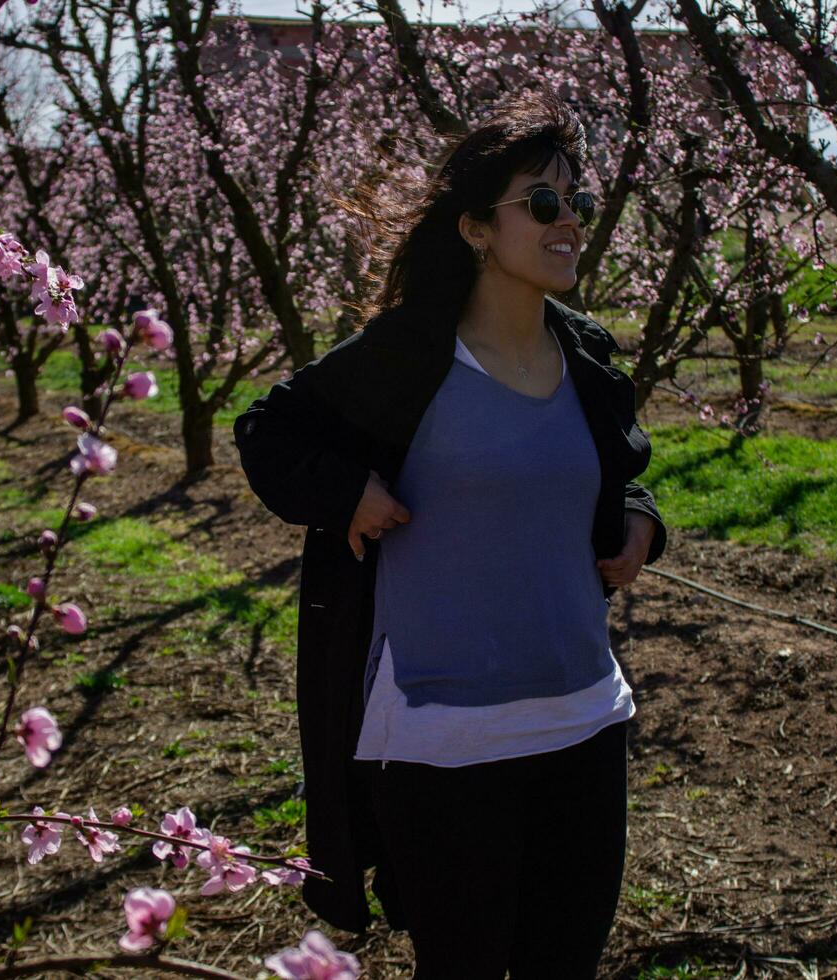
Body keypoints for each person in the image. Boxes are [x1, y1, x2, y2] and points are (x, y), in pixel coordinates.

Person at [233, 91, 666, 979]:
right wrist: (347, 489)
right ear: (476, 230)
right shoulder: (409, 357)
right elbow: (268, 431)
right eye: (543, 203)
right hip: (442, 732)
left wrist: (640, 520)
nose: (570, 222)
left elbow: (615, 470)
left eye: (576, 202)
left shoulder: (585, 357)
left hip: (584, 717)